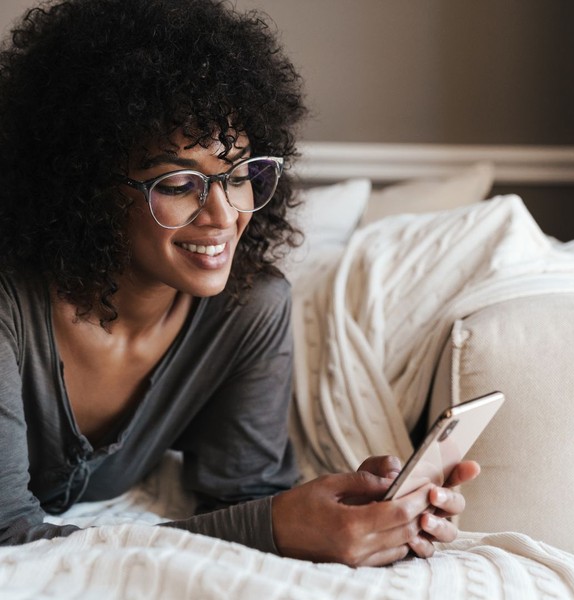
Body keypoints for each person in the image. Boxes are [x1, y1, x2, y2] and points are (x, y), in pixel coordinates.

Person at [0, 0, 479, 566]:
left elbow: (242, 497)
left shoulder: (246, 307)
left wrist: (348, 508)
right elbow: (9, 537)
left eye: (240, 175)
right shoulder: (10, 308)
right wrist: (274, 528)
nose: (224, 215)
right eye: (179, 182)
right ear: (80, 187)